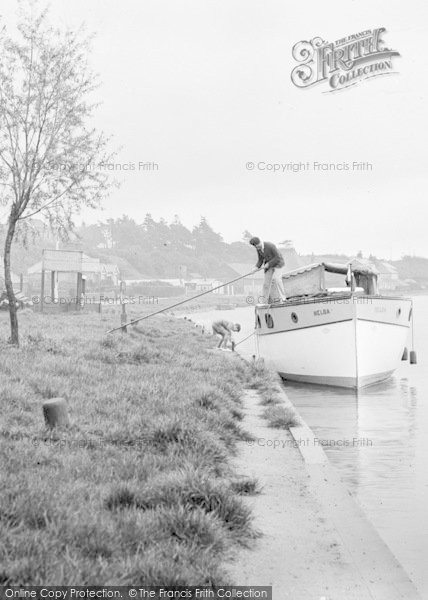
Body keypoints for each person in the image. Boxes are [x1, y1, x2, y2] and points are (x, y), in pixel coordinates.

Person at [249, 237, 286, 303]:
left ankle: (283, 298)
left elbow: (277, 257)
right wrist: (255, 268)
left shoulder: (270, 245)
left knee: (277, 279)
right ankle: (264, 301)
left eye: (257, 246)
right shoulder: (258, 249)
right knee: (266, 284)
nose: (257, 248)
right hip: (269, 266)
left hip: (278, 263)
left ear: (259, 242)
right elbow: (260, 260)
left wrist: (269, 264)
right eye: (255, 247)